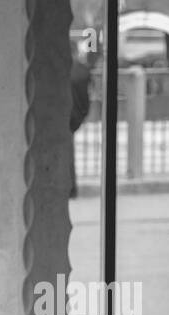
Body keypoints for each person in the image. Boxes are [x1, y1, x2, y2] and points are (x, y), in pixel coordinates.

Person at [69, 44, 92, 199]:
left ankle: (70, 187)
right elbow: (86, 100)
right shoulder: (83, 71)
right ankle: (72, 188)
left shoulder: (57, 70)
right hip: (74, 116)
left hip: (62, 115)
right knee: (69, 153)